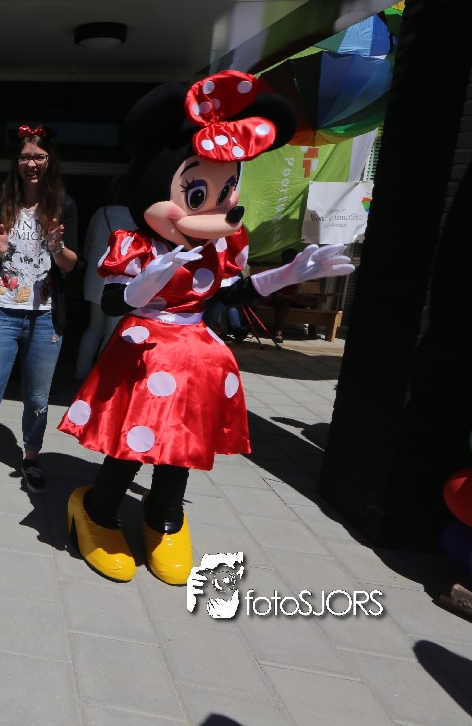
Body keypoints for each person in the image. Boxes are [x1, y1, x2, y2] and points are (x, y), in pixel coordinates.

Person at [58, 70, 353, 586]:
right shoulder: (137, 246)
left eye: (226, 190)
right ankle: (98, 509)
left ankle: (163, 516)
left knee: (183, 447)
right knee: (132, 445)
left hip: (197, 358)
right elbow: (110, 300)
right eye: (197, 192)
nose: (218, 213)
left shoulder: (220, 250)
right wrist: (142, 287)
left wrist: (286, 274)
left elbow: (228, 295)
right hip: (145, 352)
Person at [0, 124, 79, 501]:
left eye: (39, 156)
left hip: (45, 317)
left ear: (50, 161)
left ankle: (31, 459)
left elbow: (71, 265)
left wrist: (56, 248)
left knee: (37, 399)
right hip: (1, 315)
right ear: (16, 162)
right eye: (25, 156)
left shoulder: (64, 206)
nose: (32, 163)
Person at [74, 187, 135, 379]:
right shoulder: (138, 216)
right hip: (121, 279)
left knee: (94, 328)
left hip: (96, 274)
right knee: (112, 331)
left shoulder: (102, 213)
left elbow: (87, 245)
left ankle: (80, 372)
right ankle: (98, 378)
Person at [267, 247, 321, 343]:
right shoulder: (276, 271)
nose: (289, 260)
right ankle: (278, 331)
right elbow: (268, 287)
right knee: (285, 302)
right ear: (283, 259)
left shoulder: (299, 271)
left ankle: (287, 297)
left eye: (292, 258)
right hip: (279, 299)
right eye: (287, 258)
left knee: (314, 299)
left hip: (295, 299)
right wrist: (276, 293)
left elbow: (301, 290)